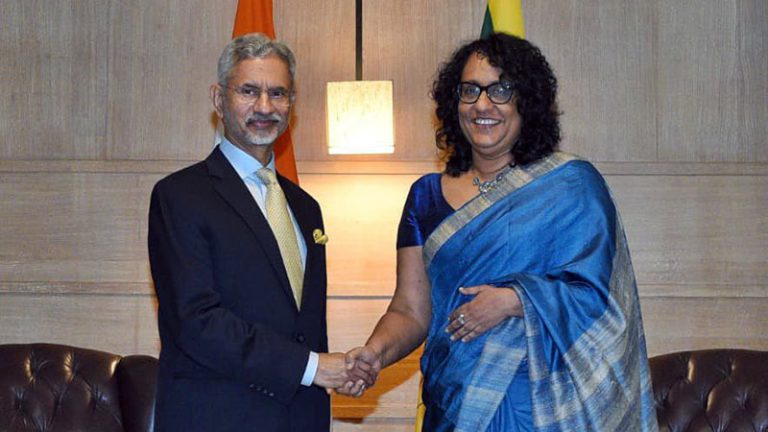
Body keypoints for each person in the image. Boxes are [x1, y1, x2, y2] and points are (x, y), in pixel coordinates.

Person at [344, 33, 658, 431]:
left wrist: (515, 300)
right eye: (470, 90)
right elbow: (410, 310)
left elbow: (601, 302)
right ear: (453, 101)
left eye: (501, 90)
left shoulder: (571, 186)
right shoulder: (425, 196)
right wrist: (375, 352)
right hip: (453, 404)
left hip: (538, 410)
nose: (483, 104)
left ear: (526, 101)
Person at [148, 33, 349, 432]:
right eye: (249, 91)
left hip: (300, 419)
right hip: (217, 418)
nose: (264, 107)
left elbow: (302, 327)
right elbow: (196, 322)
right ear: (218, 99)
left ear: (292, 104)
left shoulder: (306, 207)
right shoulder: (179, 196)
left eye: (278, 93)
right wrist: (312, 368)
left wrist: (337, 369)